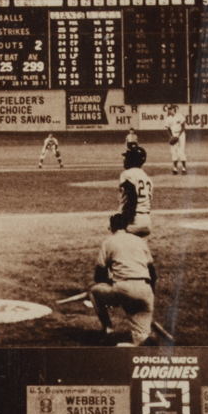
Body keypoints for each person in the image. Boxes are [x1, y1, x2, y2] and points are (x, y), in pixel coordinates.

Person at [88, 213, 158, 347]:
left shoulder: (108, 242)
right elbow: (153, 274)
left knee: (93, 291)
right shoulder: (139, 241)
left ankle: (108, 331)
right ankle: (147, 341)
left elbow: (98, 276)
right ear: (126, 226)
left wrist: (111, 285)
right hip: (146, 291)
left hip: (123, 288)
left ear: (111, 227)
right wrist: (149, 296)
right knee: (141, 339)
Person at [119, 145, 152, 237]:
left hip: (133, 219)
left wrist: (126, 220)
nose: (124, 160)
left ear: (133, 160)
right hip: (147, 220)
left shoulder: (127, 174)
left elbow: (132, 196)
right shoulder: (147, 178)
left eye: (127, 157)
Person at [164, 104, 188, 175]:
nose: (169, 110)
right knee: (174, 152)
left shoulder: (179, 116)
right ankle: (175, 169)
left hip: (181, 134)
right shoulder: (168, 119)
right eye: (168, 109)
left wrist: (179, 136)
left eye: (170, 109)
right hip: (173, 134)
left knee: (181, 151)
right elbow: (168, 129)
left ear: (173, 109)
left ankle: (184, 168)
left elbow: (183, 127)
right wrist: (171, 137)